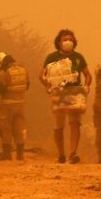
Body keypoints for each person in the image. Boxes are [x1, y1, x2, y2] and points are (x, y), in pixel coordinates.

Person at [39, 29, 92, 164]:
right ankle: (61, 154)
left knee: (75, 123)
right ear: (59, 42)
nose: (68, 42)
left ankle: (73, 153)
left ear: (74, 42)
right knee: (58, 126)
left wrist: (87, 86)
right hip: (58, 93)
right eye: (65, 39)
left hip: (75, 93)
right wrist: (48, 86)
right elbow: (42, 75)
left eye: (71, 39)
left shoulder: (78, 57)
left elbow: (87, 75)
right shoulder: (51, 58)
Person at [0, 52, 30, 161]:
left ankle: (7, 154)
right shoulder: (24, 71)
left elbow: (0, 90)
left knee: (6, 128)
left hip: (7, 106)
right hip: (20, 104)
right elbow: (27, 86)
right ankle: (20, 154)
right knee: (19, 128)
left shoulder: (7, 73)